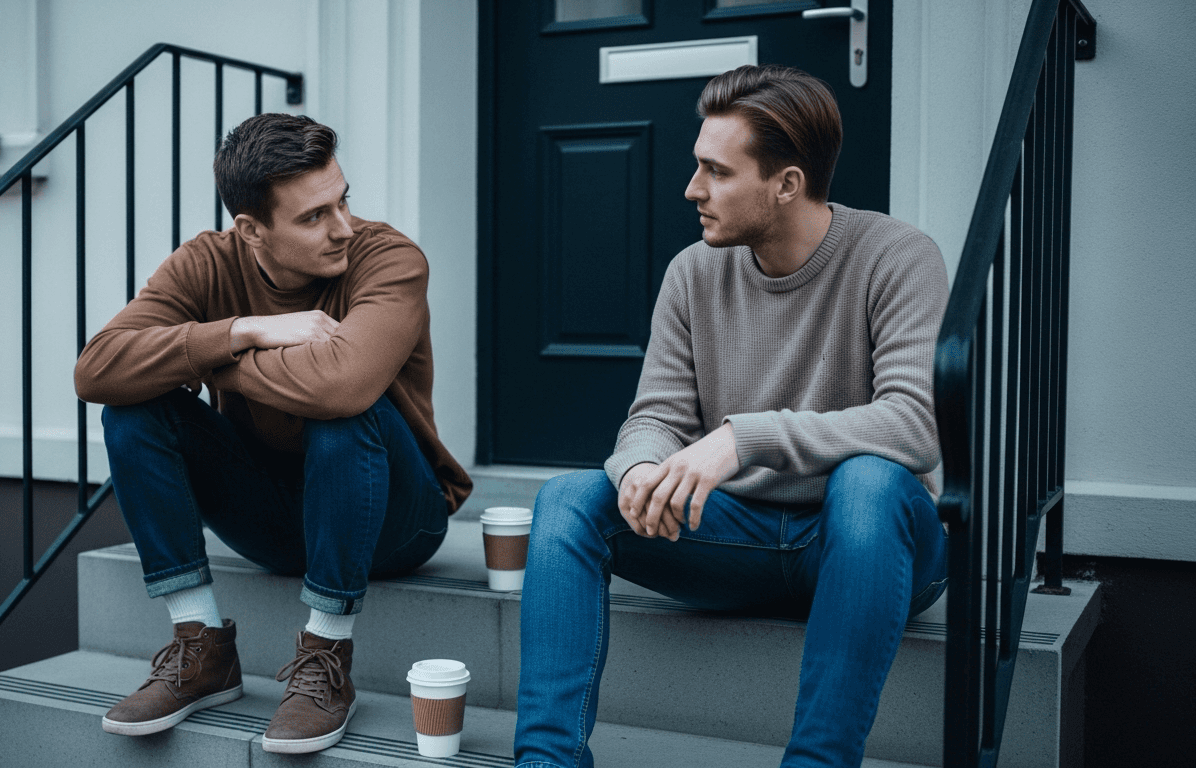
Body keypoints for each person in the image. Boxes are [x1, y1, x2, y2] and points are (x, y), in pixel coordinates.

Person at [513, 65, 950, 768]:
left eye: (716, 172)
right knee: (568, 500)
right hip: (734, 537)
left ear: (786, 184)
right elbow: (654, 414)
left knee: (868, 482)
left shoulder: (897, 257)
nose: (692, 190)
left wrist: (742, 440)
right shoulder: (693, 271)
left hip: (868, 544)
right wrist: (644, 470)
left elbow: (912, 425)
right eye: (697, 167)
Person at [74, 113, 471, 754]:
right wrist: (243, 330)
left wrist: (209, 357)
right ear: (252, 229)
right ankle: (200, 644)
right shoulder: (207, 262)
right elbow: (96, 369)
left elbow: (342, 386)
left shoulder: (388, 258)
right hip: (272, 521)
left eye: (343, 201)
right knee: (132, 409)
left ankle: (325, 654)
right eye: (314, 216)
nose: (342, 226)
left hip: (396, 520)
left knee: (346, 412)